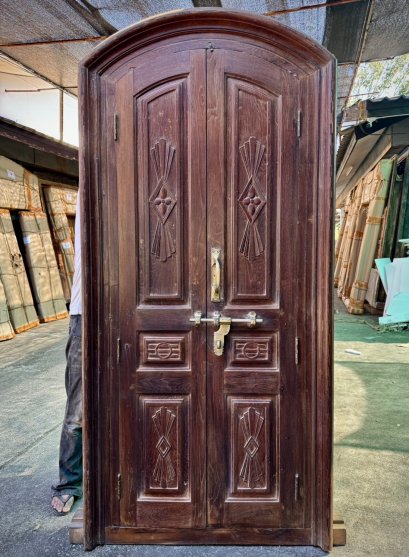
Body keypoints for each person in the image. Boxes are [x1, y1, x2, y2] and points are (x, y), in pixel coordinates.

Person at [51, 194, 82, 515]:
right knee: (78, 407)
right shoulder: (89, 190)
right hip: (84, 315)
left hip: (120, 310)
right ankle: (68, 482)